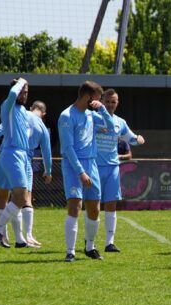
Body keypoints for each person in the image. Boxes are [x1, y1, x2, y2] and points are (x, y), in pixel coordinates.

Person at [0, 100, 52, 247]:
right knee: (23, 198)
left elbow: (0, 128)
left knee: (3, 197)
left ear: (31, 108)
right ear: (44, 114)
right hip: (22, 158)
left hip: (3, 156)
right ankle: (22, 235)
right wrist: (48, 170)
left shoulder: (19, 114)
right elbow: (46, 151)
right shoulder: (42, 127)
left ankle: (11, 237)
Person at [58, 81, 115, 262]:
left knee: (94, 208)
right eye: (98, 99)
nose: (100, 102)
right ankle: (70, 251)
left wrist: (103, 111)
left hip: (92, 165)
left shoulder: (92, 115)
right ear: (88, 97)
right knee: (75, 206)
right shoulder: (67, 116)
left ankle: (90, 246)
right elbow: (67, 148)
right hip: (74, 166)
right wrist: (81, 172)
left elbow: (112, 128)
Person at [97, 88, 145, 253]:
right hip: (94, 167)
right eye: (108, 101)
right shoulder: (94, 118)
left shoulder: (120, 122)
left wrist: (138, 140)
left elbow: (131, 138)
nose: (110, 104)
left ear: (117, 103)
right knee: (93, 205)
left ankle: (109, 243)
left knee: (111, 204)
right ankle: (90, 242)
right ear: (102, 101)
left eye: (113, 102)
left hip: (112, 168)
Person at [0, 78, 31, 248]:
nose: (24, 95)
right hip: (12, 154)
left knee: (15, 198)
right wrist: (22, 81)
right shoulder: (8, 104)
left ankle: (18, 239)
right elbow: (13, 93)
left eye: (26, 92)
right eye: (22, 91)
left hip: (18, 155)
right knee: (19, 197)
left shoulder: (22, 111)